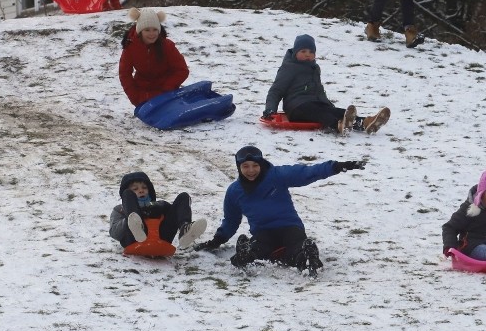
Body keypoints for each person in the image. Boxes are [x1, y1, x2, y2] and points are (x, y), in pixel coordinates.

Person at [195, 146, 366, 276]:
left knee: (294, 246)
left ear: (261, 164)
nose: (251, 170)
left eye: (255, 165)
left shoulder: (276, 175)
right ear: (239, 167)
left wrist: (337, 166)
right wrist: (217, 240)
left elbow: (307, 173)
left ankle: (307, 255)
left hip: (289, 227)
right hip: (263, 232)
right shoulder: (234, 191)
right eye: (246, 166)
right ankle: (246, 253)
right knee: (261, 248)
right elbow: (231, 221)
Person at [262, 34, 391, 134]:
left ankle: (365, 122)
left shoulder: (314, 68)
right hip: (296, 107)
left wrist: (327, 104)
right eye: (303, 51)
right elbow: (276, 90)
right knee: (321, 114)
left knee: (335, 111)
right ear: (295, 53)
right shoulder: (289, 68)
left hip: (314, 103)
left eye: (311, 52)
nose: (308, 55)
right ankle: (338, 125)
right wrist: (270, 109)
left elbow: (318, 89)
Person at [109, 171, 207, 249]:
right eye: (135, 189)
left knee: (183, 196)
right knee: (131, 208)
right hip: (134, 240)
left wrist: (161, 208)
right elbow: (114, 233)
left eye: (144, 187)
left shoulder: (159, 205)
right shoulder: (119, 210)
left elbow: (175, 213)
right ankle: (136, 225)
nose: (141, 190)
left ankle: (185, 229)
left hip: (162, 238)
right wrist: (128, 219)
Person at [119, 7, 190, 107]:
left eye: (155, 29)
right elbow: (124, 74)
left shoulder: (167, 46)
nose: (152, 34)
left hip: (166, 92)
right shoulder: (130, 47)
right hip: (143, 94)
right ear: (140, 31)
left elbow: (182, 70)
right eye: (147, 30)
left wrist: (168, 87)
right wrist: (135, 97)